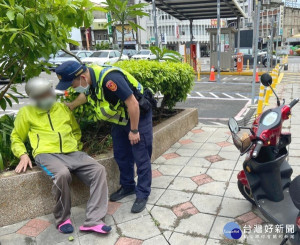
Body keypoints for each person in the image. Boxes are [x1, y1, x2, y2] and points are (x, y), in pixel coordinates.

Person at [11, 77, 111, 234]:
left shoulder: (62, 108)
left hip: (72, 152)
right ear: (34, 98)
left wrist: (75, 146)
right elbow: (16, 137)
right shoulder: (26, 112)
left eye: (48, 93)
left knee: (98, 170)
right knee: (62, 174)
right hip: (46, 154)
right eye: (41, 96)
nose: (46, 97)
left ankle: (94, 220)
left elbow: (76, 130)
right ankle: (63, 218)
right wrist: (23, 154)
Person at [55, 61, 156, 213]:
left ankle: (142, 193)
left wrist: (134, 131)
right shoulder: (90, 80)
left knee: (141, 156)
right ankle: (128, 186)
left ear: (82, 77)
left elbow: (133, 103)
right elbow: (86, 95)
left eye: (72, 84)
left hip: (138, 116)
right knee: (121, 155)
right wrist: (72, 105)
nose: (71, 87)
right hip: (120, 119)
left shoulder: (111, 79)